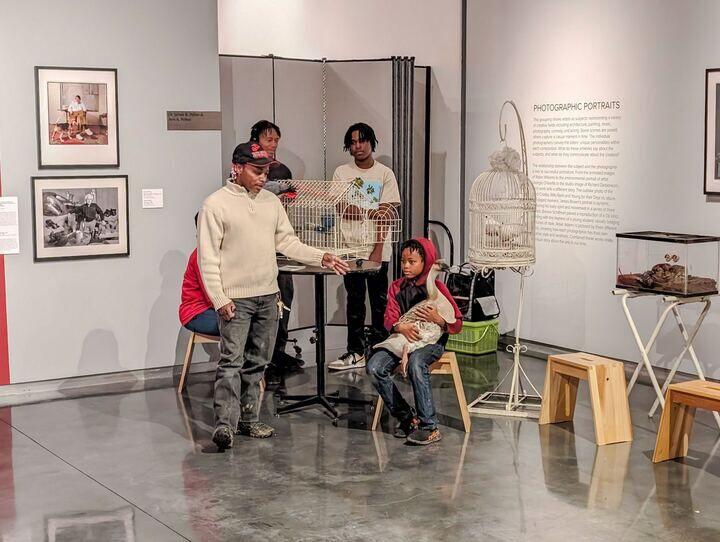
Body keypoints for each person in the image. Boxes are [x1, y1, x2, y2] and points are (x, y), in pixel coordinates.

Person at [198, 141, 349, 450]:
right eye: (257, 171)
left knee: (257, 363)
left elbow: (287, 242)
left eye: (266, 171)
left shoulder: (271, 202)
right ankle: (225, 424)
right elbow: (208, 258)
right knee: (231, 362)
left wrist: (321, 256)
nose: (263, 177)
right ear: (237, 168)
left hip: (268, 296)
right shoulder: (215, 204)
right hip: (235, 300)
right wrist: (219, 298)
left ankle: (249, 419)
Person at [366, 238, 462, 445]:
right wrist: (399, 327)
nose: (406, 266)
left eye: (412, 261)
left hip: (430, 344)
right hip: (401, 340)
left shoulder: (437, 289)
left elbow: (457, 323)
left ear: (425, 262)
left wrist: (439, 320)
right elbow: (389, 319)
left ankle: (429, 426)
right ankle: (407, 417)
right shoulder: (396, 287)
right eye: (403, 261)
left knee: (417, 363)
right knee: (374, 367)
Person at [329, 122, 401, 371]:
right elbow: (342, 208)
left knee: (380, 301)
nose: (357, 146)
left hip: (379, 248)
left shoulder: (384, 173)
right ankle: (356, 351)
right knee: (355, 300)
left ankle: (382, 352)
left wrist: (378, 249)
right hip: (349, 249)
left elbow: (387, 213)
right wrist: (368, 210)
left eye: (362, 140)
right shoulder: (342, 172)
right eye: (353, 142)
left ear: (371, 142)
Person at [249, 120, 300, 376]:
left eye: (276, 140)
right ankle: (262, 355)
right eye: (269, 140)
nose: (273, 145)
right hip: (257, 247)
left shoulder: (283, 170)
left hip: (280, 245)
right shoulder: (245, 170)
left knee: (284, 296)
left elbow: (289, 204)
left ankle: (279, 351)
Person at [179, 213, 219, 337]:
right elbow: (211, 295)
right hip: (197, 312)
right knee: (240, 324)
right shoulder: (201, 255)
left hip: (208, 309)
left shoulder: (215, 252)